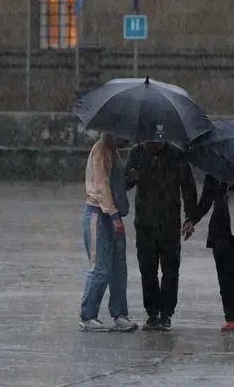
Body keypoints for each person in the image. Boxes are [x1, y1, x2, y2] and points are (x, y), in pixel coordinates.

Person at [125, 141, 197, 331]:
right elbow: (123, 183)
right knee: (147, 269)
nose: (152, 145)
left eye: (156, 141)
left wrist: (190, 218)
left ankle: (166, 314)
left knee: (170, 270)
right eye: (149, 141)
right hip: (145, 223)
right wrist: (131, 178)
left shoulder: (177, 155)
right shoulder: (136, 152)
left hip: (170, 222)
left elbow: (188, 187)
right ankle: (152, 313)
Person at [184, 174, 234, 331]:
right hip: (220, 228)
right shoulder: (216, 171)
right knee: (224, 274)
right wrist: (192, 219)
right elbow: (206, 199)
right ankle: (233, 316)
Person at [78, 133, 138, 332]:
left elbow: (115, 185)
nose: (127, 141)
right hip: (99, 214)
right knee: (100, 267)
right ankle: (87, 315)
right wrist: (113, 216)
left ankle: (120, 314)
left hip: (113, 214)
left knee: (118, 269)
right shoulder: (101, 149)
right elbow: (101, 187)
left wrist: (129, 180)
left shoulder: (113, 151)